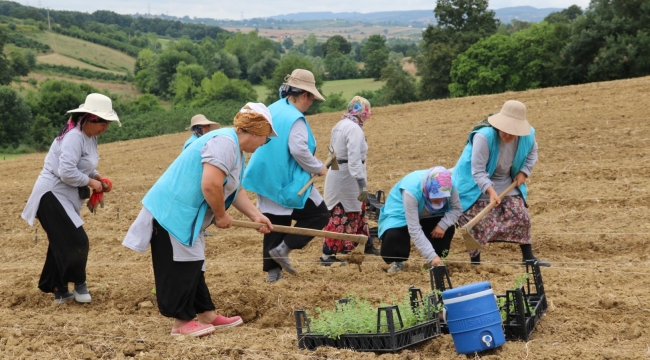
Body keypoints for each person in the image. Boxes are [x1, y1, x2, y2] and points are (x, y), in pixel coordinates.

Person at [122, 103, 277, 337]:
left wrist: (256, 215)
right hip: (172, 212)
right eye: (266, 138)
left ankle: (206, 314)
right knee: (183, 265)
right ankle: (181, 323)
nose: (265, 143)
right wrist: (221, 215)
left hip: (186, 215)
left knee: (195, 264)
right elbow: (211, 184)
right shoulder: (225, 143)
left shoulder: (234, 148)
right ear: (256, 132)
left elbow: (233, 189)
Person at [21, 93, 120, 304]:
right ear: (92, 118)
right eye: (104, 123)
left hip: (65, 195)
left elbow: (82, 165)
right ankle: (79, 283)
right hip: (51, 194)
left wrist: (96, 176)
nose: (106, 128)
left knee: (60, 242)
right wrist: (91, 183)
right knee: (77, 240)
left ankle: (59, 288)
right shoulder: (74, 136)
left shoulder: (90, 137)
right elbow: (66, 172)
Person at [243, 69, 330, 283]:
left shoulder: (275, 108)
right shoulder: (295, 118)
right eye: (311, 97)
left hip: (265, 176)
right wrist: (317, 167)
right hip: (285, 179)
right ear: (305, 95)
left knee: (274, 220)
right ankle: (284, 247)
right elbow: (299, 149)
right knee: (319, 215)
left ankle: (273, 274)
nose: (311, 103)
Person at [452, 100, 550, 267]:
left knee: (521, 215)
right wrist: (490, 191)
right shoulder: (483, 137)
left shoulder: (528, 136)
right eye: (505, 130)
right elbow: (478, 171)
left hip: (506, 180)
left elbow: (532, 155)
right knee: (476, 222)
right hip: (474, 183)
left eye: (513, 132)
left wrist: (524, 172)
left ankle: (528, 257)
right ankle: (475, 262)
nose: (507, 135)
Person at [320, 96, 379, 266]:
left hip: (339, 172)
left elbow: (333, 155)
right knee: (340, 214)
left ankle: (365, 245)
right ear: (363, 113)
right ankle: (327, 255)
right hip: (347, 177)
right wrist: (362, 185)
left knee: (358, 212)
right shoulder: (354, 129)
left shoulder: (339, 125)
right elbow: (353, 160)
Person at [378, 166, 462, 273]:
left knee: (447, 230)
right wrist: (431, 256)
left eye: (443, 197)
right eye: (436, 198)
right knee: (394, 237)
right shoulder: (411, 192)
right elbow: (414, 228)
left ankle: (434, 261)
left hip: (430, 215)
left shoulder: (449, 184)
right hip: (401, 214)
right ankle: (398, 262)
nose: (440, 200)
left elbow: (457, 209)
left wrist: (443, 225)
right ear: (427, 189)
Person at [183, 114, 221, 237]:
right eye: (204, 126)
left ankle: (200, 228)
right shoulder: (192, 144)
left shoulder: (198, 140)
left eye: (207, 126)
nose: (207, 128)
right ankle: (196, 229)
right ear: (197, 128)